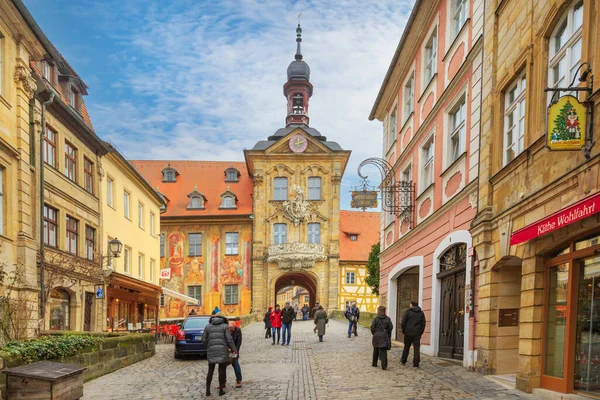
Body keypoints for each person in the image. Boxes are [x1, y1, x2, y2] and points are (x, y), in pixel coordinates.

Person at [202, 312, 237, 397]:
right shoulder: (225, 326)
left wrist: (209, 346)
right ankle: (221, 390)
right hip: (222, 351)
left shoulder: (208, 326)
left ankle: (207, 390)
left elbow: (203, 339)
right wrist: (234, 349)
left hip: (211, 351)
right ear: (223, 319)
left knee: (210, 370)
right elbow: (229, 340)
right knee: (221, 370)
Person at [400, 300, 426, 368]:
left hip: (408, 333)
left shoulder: (407, 312)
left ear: (411, 305)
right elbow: (423, 324)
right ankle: (416, 363)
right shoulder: (421, 313)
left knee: (406, 347)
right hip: (417, 333)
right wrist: (421, 332)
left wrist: (404, 330)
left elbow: (403, 322)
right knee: (416, 348)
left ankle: (403, 360)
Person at [371, 305, 393, 370]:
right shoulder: (388, 319)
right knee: (383, 351)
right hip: (383, 335)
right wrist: (386, 332)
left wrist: (374, 333)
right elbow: (391, 327)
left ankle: (374, 363)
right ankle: (384, 366)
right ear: (384, 311)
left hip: (376, 335)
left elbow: (372, 327)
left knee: (375, 349)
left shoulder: (375, 319)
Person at [228, 321, 243, 389]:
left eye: (232, 328)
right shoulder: (226, 330)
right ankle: (222, 382)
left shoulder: (238, 330)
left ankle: (239, 380)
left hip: (234, 351)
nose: (231, 330)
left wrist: (235, 351)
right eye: (230, 329)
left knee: (235, 364)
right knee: (222, 366)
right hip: (226, 351)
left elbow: (239, 342)